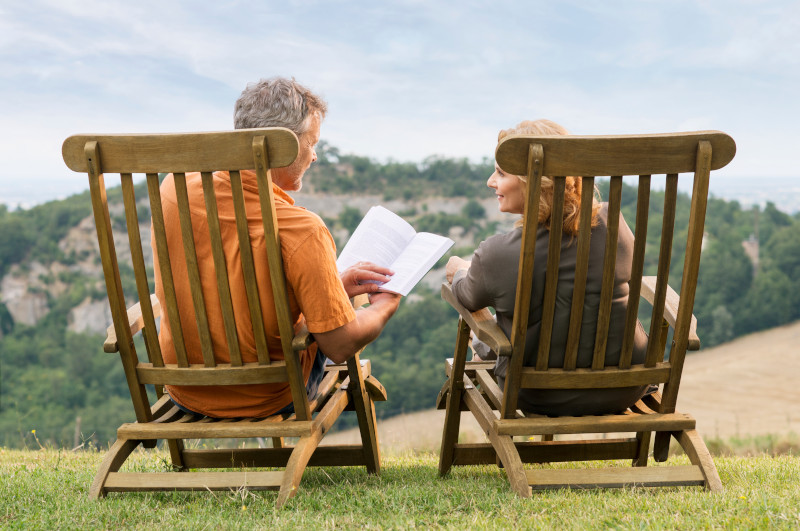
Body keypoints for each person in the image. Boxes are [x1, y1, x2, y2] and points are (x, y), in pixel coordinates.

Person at [154, 77, 401, 418]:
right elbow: (340, 344)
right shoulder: (301, 229)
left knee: (334, 298)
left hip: (185, 388)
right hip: (269, 393)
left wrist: (334, 288)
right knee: (343, 327)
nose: (314, 156)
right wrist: (384, 306)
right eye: (311, 144)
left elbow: (234, 282)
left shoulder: (175, 189)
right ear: (283, 147)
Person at [445, 119, 650, 416]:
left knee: (486, 336)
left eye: (501, 173)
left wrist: (459, 269)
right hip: (626, 387)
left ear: (533, 181)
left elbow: (466, 296)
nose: (491, 182)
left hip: (538, 394)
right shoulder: (613, 224)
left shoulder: (496, 254)